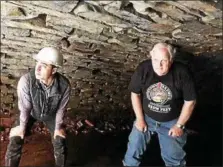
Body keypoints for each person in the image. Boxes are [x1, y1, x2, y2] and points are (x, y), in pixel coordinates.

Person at [123, 43, 196, 166]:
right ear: (151, 56)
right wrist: (140, 119)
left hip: (171, 121)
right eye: (155, 60)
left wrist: (179, 125)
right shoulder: (144, 69)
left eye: (164, 61)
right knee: (133, 149)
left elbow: (190, 101)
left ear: (171, 60)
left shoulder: (181, 73)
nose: (159, 65)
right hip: (147, 118)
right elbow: (135, 94)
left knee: (174, 157)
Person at [5, 47, 71, 167]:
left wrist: (57, 128)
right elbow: (25, 108)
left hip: (51, 114)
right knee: (15, 138)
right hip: (31, 113)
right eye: (38, 63)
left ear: (54, 70)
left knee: (60, 141)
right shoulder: (26, 81)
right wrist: (22, 128)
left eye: (44, 65)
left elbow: (61, 109)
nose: (38, 68)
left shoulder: (64, 85)